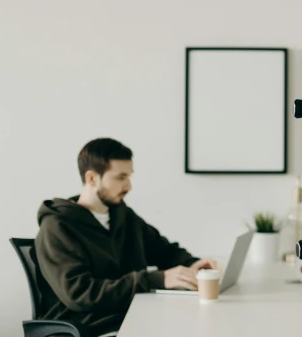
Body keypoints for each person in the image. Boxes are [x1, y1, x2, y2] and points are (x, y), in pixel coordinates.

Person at [35, 138, 217, 335]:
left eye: (129, 176)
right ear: (92, 179)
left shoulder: (122, 215)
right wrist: (156, 279)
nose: (128, 186)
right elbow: (80, 294)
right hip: (88, 326)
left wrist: (194, 265)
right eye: (120, 177)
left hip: (129, 316)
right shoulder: (57, 226)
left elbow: (163, 251)